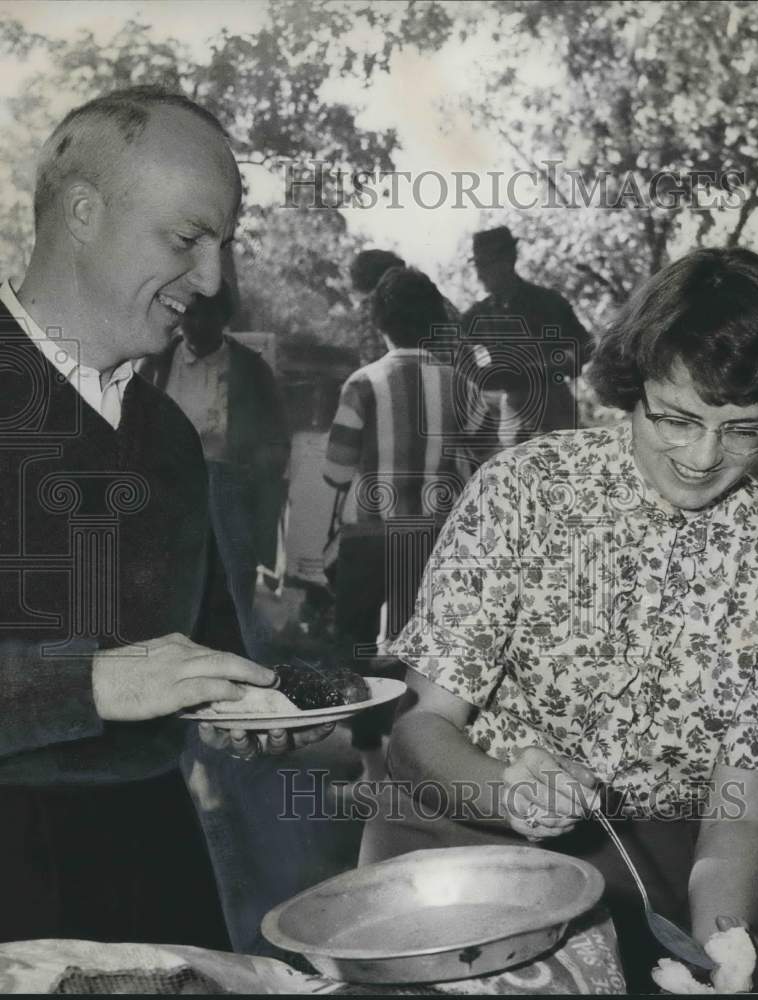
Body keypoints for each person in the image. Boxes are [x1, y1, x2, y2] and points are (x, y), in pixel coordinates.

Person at [361, 247, 758, 991]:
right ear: (633, 386)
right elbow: (418, 735)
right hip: (457, 849)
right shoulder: (525, 491)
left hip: (638, 871)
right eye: (677, 418)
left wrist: (723, 952)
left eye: (745, 429)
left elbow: (738, 812)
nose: (703, 455)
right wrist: (505, 788)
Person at [0, 86, 329, 946]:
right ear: (81, 212)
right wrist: (90, 684)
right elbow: (114, 677)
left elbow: (201, 647)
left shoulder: (170, 435)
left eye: (224, 246)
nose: (215, 280)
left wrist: (242, 705)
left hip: (157, 860)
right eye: (186, 240)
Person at [323, 266, 476, 780]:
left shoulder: (362, 384)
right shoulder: (460, 387)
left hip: (368, 535)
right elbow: (488, 466)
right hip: (433, 538)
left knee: (357, 645)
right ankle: (414, 761)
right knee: (425, 651)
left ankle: (369, 763)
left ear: (379, 321)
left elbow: (335, 471)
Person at [139, 281, 289, 661]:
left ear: (223, 319)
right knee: (170, 589)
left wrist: (254, 478)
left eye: (205, 314)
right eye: (188, 312)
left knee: (233, 590)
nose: (194, 323)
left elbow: (275, 442)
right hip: (168, 491)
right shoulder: (157, 361)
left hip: (228, 492)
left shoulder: (250, 368)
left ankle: (239, 671)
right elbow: (131, 425)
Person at [460, 225, 591, 455]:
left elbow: (586, 346)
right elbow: (457, 357)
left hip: (555, 404)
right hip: (511, 407)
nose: (480, 274)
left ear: (508, 260)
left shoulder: (548, 302)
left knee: (564, 470)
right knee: (517, 476)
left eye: (486, 265)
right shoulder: (478, 315)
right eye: (478, 266)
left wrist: (555, 365)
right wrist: (485, 375)